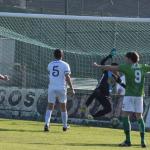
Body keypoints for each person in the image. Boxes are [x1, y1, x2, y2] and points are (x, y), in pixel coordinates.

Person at [93, 51, 150, 148]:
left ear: (129, 59)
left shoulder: (126, 67)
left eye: (126, 58)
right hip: (139, 96)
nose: (125, 59)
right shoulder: (143, 67)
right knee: (139, 117)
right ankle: (142, 141)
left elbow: (111, 67)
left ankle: (128, 141)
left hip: (129, 96)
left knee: (125, 116)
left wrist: (98, 66)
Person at [85, 50, 125, 118]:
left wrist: (130, 89)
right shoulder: (107, 72)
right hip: (99, 91)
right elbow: (102, 63)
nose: (117, 70)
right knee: (96, 92)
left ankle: (93, 116)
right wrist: (109, 56)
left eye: (117, 69)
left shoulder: (117, 77)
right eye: (116, 68)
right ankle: (84, 107)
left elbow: (122, 84)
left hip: (105, 95)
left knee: (108, 109)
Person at [44, 49, 75, 132]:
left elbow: (50, 74)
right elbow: (67, 77)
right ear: (62, 55)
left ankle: (47, 124)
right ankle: (65, 126)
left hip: (52, 87)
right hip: (61, 88)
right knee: (63, 107)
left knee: (50, 106)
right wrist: (72, 88)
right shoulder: (65, 65)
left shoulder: (50, 64)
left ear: (54, 55)